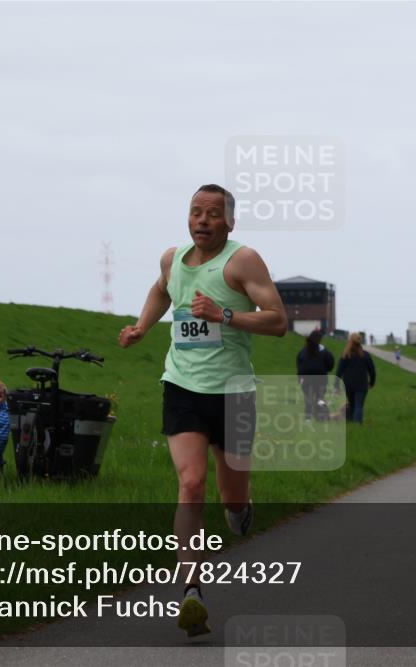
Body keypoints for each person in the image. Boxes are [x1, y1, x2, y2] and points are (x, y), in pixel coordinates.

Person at [118, 184, 287, 637]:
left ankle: (240, 507)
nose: (203, 220)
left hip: (233, 394)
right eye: (196, 212)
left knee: (231, 499)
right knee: (190, 484)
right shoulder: (172, 259)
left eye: (213, 214)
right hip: (183, 386)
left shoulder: (243, 261)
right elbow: (161, 291)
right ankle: (191, 591)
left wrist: (225, 315)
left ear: (229, 222)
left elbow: (278, 321)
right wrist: (141, 326)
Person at [335, 332, 377, 423]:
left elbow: (339, 371)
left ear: (350, 341)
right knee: (359, 405)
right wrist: (372, 382)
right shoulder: (365, 355)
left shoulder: (345, 355)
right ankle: (357, 424)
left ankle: (351, 421)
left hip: (348, 385)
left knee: (352, 404)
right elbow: (372, 370)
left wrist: (336, 385)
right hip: (361, 385)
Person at [296, 330, 334, 420]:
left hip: (306, 380)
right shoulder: (323, 350)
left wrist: (300, 376)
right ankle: (322, 417)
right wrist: (327, 369)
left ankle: (308, 418)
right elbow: (330, 362)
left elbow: (299, 364)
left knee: (308, 399)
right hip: (320, 379)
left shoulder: (303, 351)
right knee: (320, 398)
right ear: (320, 339)